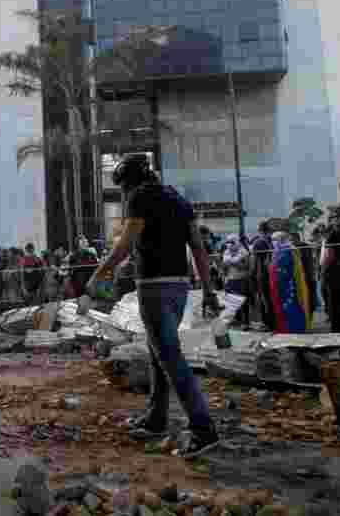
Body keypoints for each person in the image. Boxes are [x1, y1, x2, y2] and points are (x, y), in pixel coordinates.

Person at [84, 154, 220, 459]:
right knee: (159, 354)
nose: (122, 194)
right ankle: (156, 418)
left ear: (128, 181)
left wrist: (98, 275)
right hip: (180, 287)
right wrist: (209, 290)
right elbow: (198, 247)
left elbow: (125, 244)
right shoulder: (177, 199)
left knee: (170, 357)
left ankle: (203, 429)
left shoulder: (139, 197)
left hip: (154, 287)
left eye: (121, 188)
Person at [222, 234, 251, 328]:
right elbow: (226, 262)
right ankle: (235, 321)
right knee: (230, 302)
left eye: (232, 242)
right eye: (228, 242)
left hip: (241, 279)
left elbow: (245, 266)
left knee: (242, 302)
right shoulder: (226, 251)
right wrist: (233, 262)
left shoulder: (243, 251)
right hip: (230, 279)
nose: (230, 244)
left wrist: (234, 262)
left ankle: (245, 322)